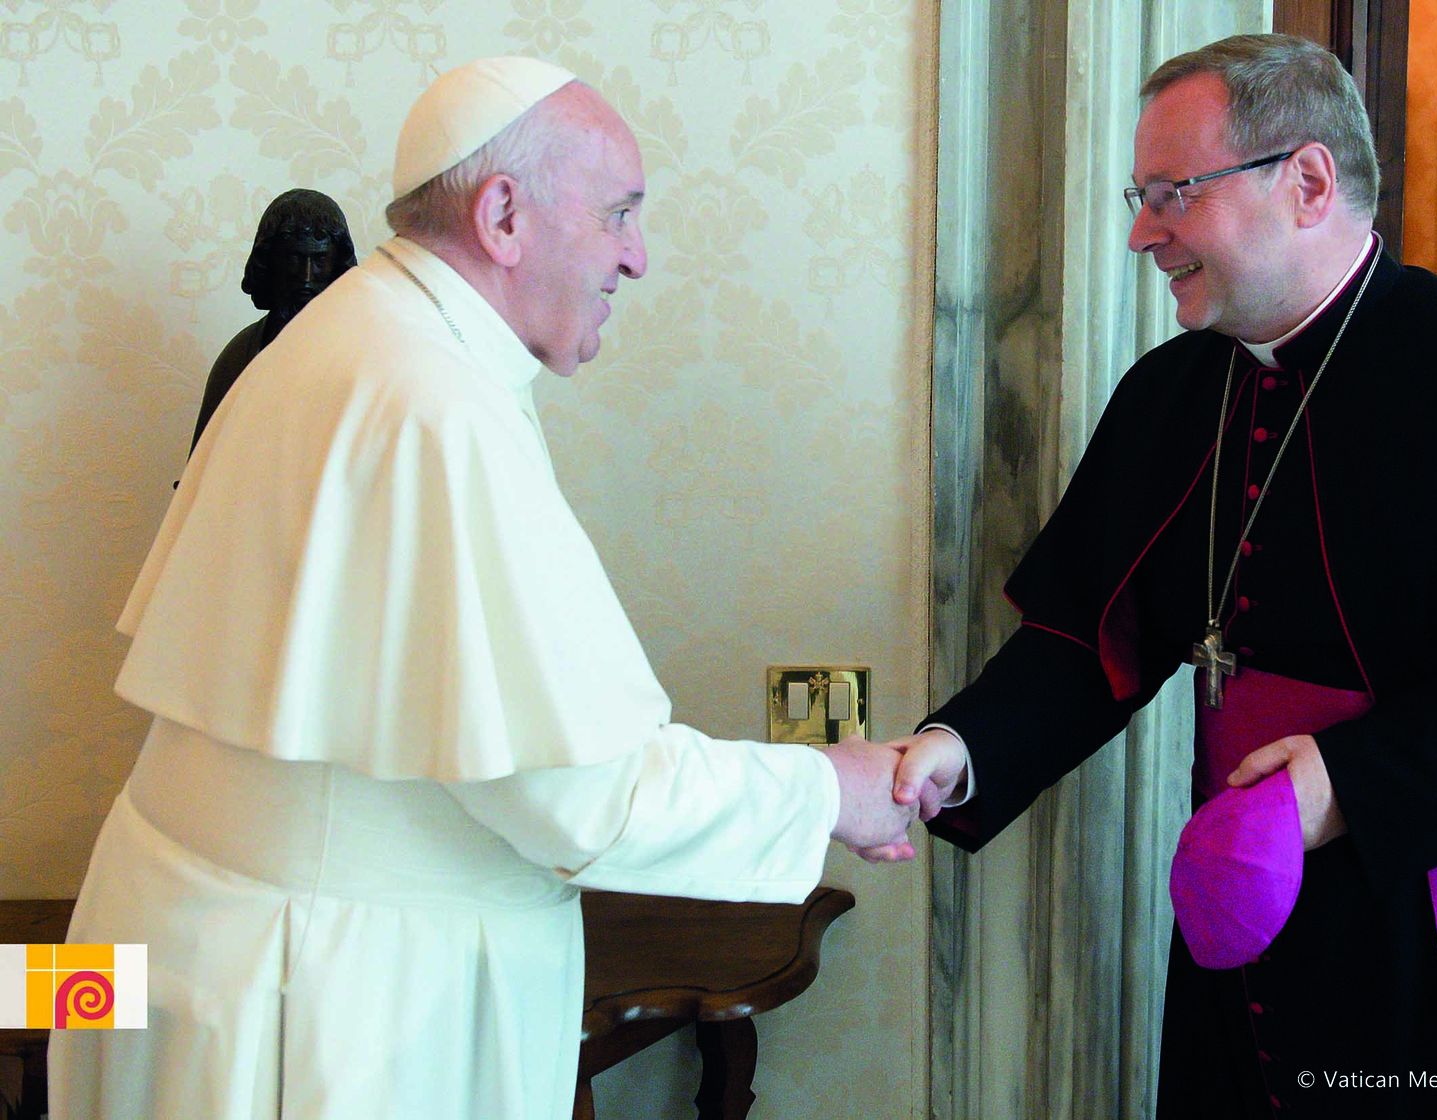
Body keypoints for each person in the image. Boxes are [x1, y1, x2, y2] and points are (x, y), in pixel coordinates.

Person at [51, 57, 915, 1120]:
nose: (637, 257)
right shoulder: (431, 401)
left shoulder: (355, 331)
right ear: (504, 214)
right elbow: (582, 797)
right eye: (618, 214)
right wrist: (829, 787)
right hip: (318, 1006)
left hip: (190, 945)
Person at [886, 33, 1437, 1120]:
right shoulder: (1173, 394)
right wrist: (951, 751)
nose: (1139, 232)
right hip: (1245, 893)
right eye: (1140, 194)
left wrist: (1340, 782)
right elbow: (1088, 638)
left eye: (1172, 192)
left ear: (1307, 182)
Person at [189, 188, 357, 452]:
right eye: (294, 259)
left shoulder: (363, 356)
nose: (306, 278)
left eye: (319, 260)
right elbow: (201, 471)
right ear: (270, 262)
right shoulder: (240, 357)